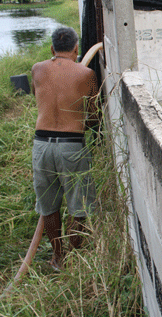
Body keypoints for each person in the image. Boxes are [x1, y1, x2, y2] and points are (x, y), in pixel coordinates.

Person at [31, 27, 99, 270]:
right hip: (71, 146)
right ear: (76, 49)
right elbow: (93, 117)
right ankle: (74, 256)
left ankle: (58, 258)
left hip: (41, 145)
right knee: (78, 206)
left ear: (52, 49)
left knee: (48, 206)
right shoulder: (86, 73)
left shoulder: (38, 69)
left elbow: (37, 96)